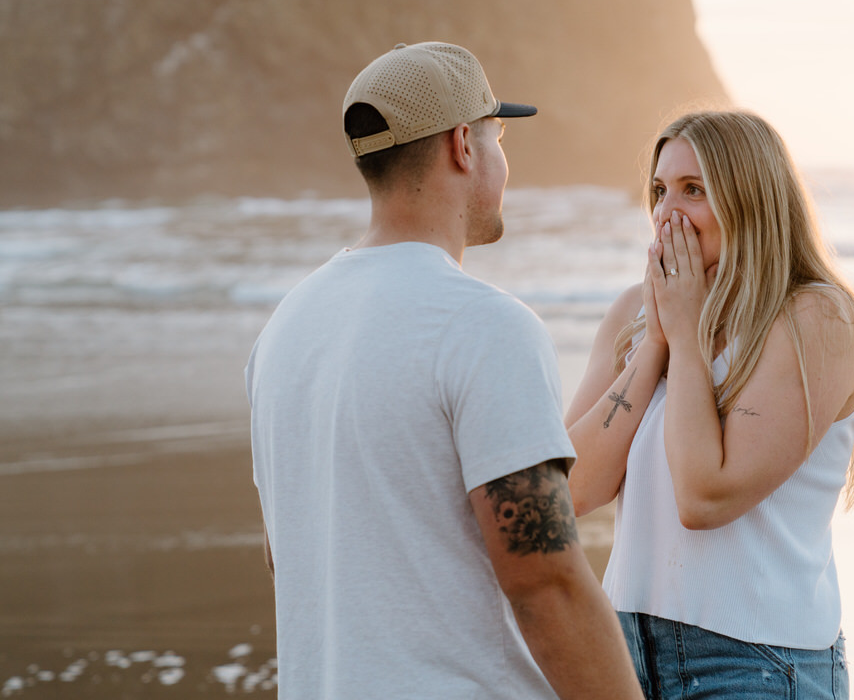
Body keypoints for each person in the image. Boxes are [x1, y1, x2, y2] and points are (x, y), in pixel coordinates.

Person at [246, 42, 642, 700]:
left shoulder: (284, 330)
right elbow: (543, 578)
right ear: (464, 144)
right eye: (499, 137)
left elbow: (283, 552)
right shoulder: (483, 326)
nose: (502, 160)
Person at [565, 110, 854, 699]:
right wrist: (654, 340)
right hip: (626, 654)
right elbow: (572, 489)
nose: (666, 211)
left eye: (694, 190)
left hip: (753, 665)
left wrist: (683, 337)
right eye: (659, 191)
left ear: (750, 199)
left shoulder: (816, 317)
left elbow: (705, 496)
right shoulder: (636, 313)